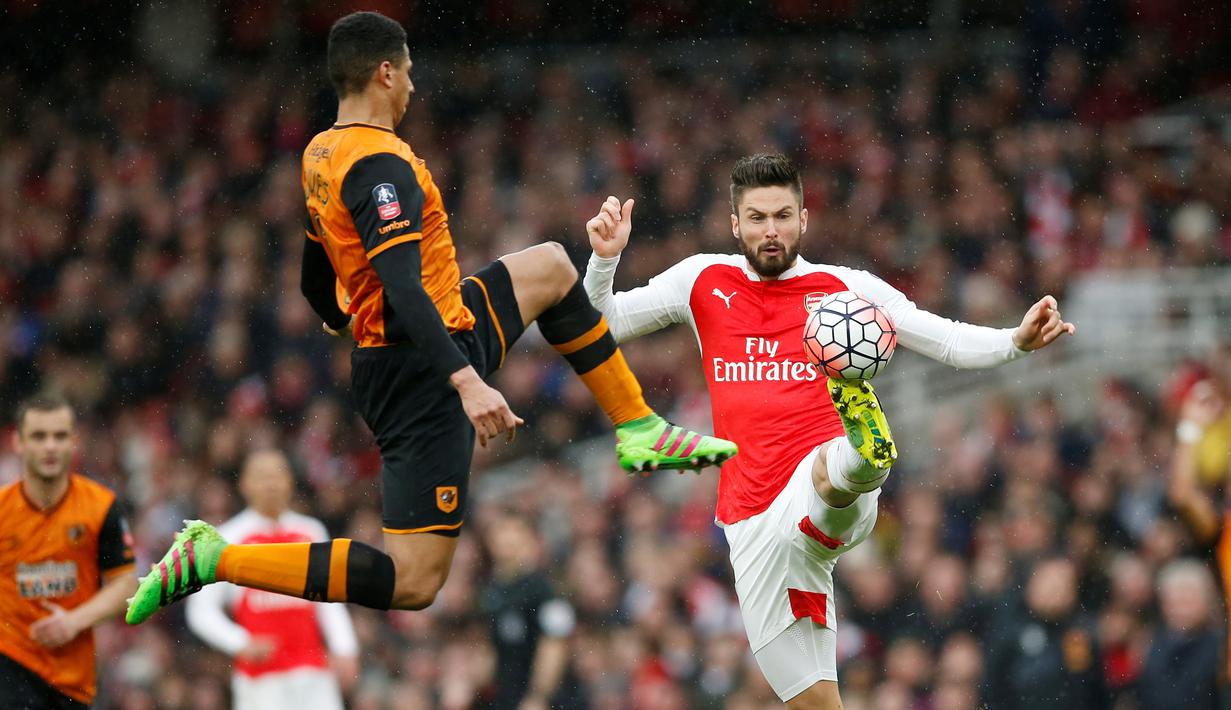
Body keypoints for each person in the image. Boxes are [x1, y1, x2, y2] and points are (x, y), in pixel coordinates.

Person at [126, 10, 734, 625]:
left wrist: (348, 320)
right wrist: (464, 380)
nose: (414, 86)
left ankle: (638, 428)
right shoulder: (378, 166)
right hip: (423, 367)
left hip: (443, 327)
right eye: (410, 72)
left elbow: (316, 279)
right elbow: (402, 286)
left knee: (552, 267)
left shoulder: (321, 153)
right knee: (414, 581)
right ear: (385, 73)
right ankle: (216, 560)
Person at [582, 153, 1075, 708]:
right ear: (734, 224)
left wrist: (1015, 340)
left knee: (831, 475)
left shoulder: (844, 289)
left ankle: (865, 453)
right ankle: (855, 461)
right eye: (759, 217)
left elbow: (945, 338)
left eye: (784, 216)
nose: (772, 231)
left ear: (804, 220)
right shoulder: (702, 279)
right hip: (748, 518)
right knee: (813, 701)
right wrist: (604, 262)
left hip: (818, 479)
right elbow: (603, 326)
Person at [185, 450, 359, 710]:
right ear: (244, 484)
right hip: (260, 679)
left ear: (290, 481)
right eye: (262, 477)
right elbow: (201, 611)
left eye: (278, 475)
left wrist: (345, 648)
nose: (271, 484)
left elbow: (331, 600)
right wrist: (240, 642)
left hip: (313, 672)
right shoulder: (227, 539)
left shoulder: (311, 532)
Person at [0, 392, 137, 709]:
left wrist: (74, 621)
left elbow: (125, 584)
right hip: (9, 665)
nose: (50, 446)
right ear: (18, 443)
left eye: (59, 436)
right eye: (38, 436)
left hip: (72, 679)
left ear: (74, 442)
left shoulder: (101, 507)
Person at [478, 510, 579, 710]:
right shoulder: (493, 590)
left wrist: (539, 697)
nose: (505, 536)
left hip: (541, 701)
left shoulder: (542, 589)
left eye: (514, 529)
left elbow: (554, 645)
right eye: (500, 530)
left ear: (530, 539)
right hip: (506, 697)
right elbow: (489, 647)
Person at [981, 557, 1108, 709]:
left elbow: (1093, 692)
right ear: (1030, 586)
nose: (1056, 590)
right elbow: (992, 689)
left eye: (1063, 584)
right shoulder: (1009, 629)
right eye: (1049, 582)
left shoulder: (1082, 634)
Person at [1136, 558, 1221, 708]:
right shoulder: (1147, 642)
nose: (1183, 607)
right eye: (1176, 598)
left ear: (1208, 600)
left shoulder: (1222, 646)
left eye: (1190, 597)